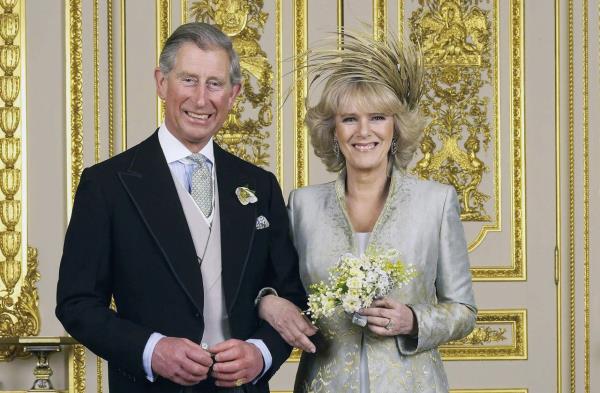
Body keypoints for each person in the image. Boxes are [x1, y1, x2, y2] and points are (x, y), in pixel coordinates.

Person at [55, 22, 306, 393]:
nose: (201, 99)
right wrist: (151, 350)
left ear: (233, 93)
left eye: (215, 84)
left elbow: (291, 295)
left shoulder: (260, 185)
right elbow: (76, 304)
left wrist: (261, 353)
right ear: (161, 83)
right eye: (189, 80)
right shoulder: (107, 184)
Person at [258, 31, 477, 392]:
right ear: (332, 131)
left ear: (396, 127)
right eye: (349, 119)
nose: (364, 132)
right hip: (324, 383)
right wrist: (268, 302)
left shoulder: (435, 202)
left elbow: (464, 311)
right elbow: (272, 287)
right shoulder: (303, 205)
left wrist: (412, 320)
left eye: (377, 117)